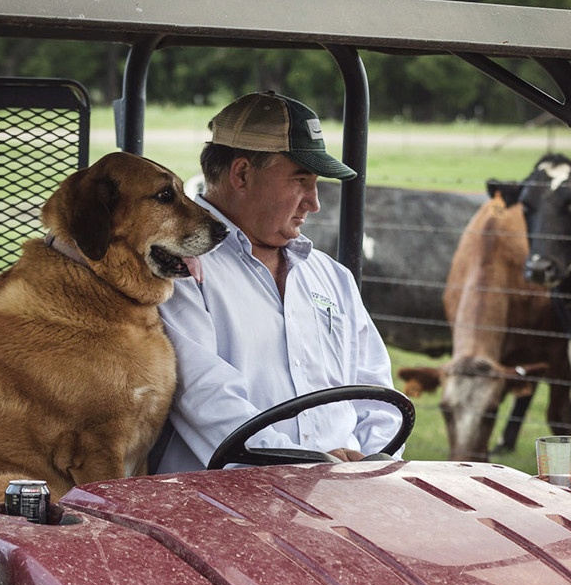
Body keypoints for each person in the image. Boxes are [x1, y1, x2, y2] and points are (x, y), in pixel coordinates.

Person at [154, 91, 404, 472]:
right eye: (300, 180)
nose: (314, 202)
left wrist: (373, 468)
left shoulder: (332, 277)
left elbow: (379, 399)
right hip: (223, 506)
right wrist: (307, 465)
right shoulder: (179, 268)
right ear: (241, 174)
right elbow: (205, 397)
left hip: (346, 492)